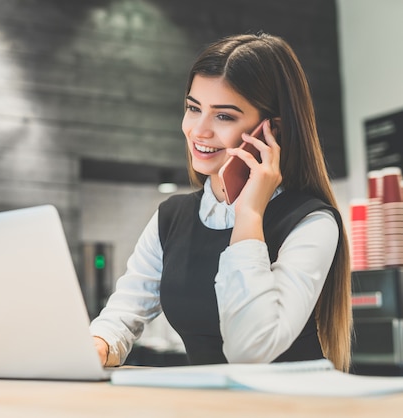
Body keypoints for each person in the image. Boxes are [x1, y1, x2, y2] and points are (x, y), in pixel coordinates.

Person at [90, 32, 352, 372]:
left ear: (270, 130)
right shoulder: (171, 218)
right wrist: (96, 346)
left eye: (223, 116)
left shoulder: (311, 222)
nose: (199, 130)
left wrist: (249, 212)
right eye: (193, 108)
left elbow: (251, 349)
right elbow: (122, 317)